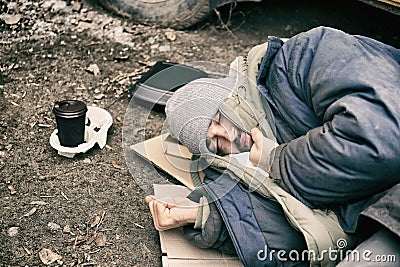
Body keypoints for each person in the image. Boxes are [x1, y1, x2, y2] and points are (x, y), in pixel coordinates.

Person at [145, 26, 400, 266]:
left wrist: (277, 160)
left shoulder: (303, 55)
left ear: (231, 95)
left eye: (216, 119)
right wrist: (205, 215)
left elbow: (378, 137)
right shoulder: (257, 158)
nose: (226, 137)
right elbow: (298, 241)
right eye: (215, 144)